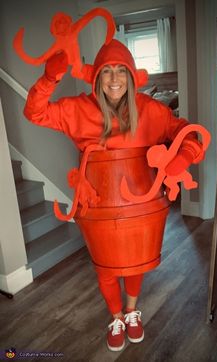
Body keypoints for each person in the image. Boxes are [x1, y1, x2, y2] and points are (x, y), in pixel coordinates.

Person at [23, 39, 205, 352]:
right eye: (106, 71)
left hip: (142, 203)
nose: (115, 78)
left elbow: (189, 132)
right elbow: (34, 113)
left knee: (132, 264)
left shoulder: (151, 111)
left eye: (121, 70)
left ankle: (132, 311)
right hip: (95, 202)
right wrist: (49, 78)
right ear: (97, 77)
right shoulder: (78, 108)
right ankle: (117, 316)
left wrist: (185, 154)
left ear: (132, 76)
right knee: (106, 266)